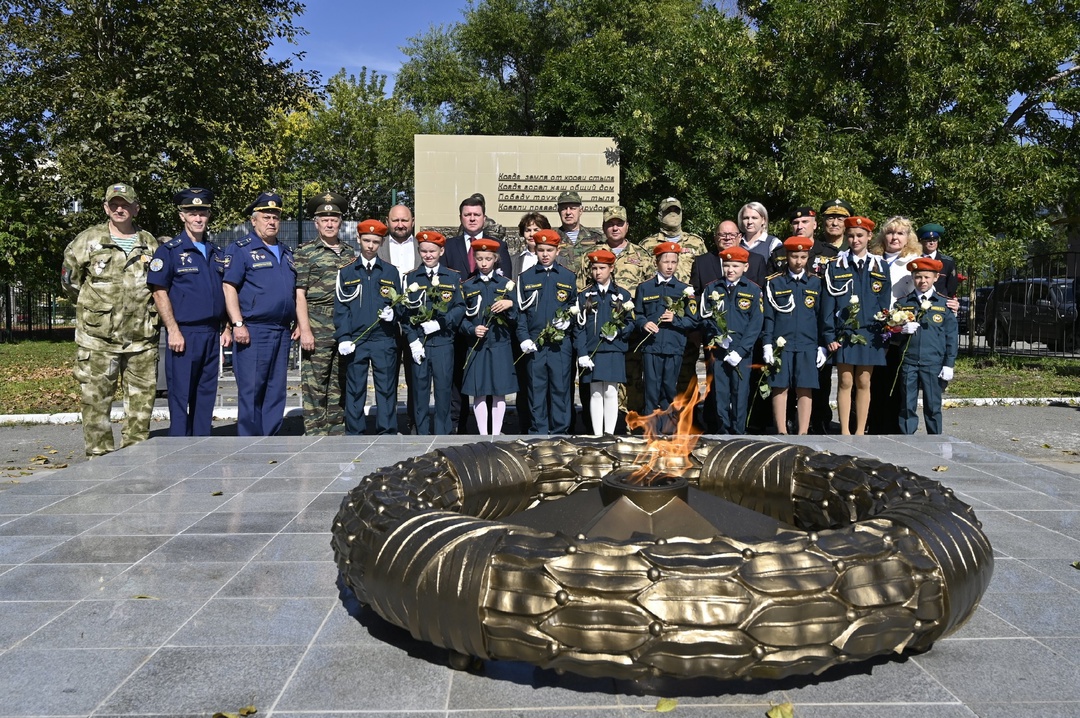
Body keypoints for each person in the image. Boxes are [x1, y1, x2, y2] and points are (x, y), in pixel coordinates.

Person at [61, 182, 161, 456]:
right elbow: (70, 281)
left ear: (136, 209)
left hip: (142, 338)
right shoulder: (88, 241)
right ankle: (98, 459)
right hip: (98, 339)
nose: (120, 209)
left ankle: (135, 460)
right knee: (96, 403)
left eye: (126, 204)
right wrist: (97, 308)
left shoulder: (149, 242)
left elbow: (158, 285)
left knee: (141, 406)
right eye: (114, 204)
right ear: (106, 207)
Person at [147, 187, 229, 437]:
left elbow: (224, 292)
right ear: (182, 216)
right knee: (181, 393)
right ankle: (178, 445)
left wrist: (225, 327)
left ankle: (201, 444)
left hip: (210, 333)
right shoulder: (169, 251)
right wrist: (172, 329)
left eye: (202, 213)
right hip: (183, 333)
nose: (198, 218)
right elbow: (159, 291)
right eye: (192, 213)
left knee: (206, 393)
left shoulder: (216, 253)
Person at [223, 192, 299, 437]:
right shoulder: (241, 249)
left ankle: (270, 439)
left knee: (277, 389)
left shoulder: (287, 252)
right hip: (254, 330)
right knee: (252, 388)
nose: (271, 221)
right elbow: (229, 287)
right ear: (253, 221)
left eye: (276, 217)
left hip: (281, 330)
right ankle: (249, 441)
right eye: (266, 216)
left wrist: (297, 321)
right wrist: (237, 323)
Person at [446, 194, 513, 433]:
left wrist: (509, 304)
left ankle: (495, 432)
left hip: (497, 338)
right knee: (470, 384)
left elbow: (509, 287)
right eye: (467, 215)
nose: (472, 218)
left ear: (484, 217)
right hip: (468, 332)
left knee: (496, 387)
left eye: (476, 214)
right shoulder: (450, 246)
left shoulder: (499, 246)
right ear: (461, 217)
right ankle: (461, 426)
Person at [821, 216, 891, 435]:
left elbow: (884, 302)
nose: (855, 240)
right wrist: (829, 335)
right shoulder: (836, 265)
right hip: (844, 333)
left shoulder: (880, 265)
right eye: (850, 235)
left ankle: (860, 431)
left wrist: (884, 331)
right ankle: (844, 431)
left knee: (864, 381)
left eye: (860, 235)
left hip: (870, 333)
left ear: (869, 236)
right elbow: (827, 303)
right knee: (844, 381)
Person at [293, 192, 355, 435]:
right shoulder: (305, 252)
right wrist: (305, 329)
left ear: (340, 222)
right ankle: (315, 433)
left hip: (343, 323)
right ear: (316, 223)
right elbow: (299, 294)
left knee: (339, 381)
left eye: (334, 219)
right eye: (324, 219)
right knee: (315, 382)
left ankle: (336, 431)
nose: (329, 224)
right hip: (316, 320)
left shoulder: (350, 253)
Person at [333, 219, 402, 435]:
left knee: (387, 388)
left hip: (384, 338)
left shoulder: (391, 272)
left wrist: (394, 314)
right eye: (366, 240)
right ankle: (355, 433)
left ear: (381, 242)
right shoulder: (346, 272)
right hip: (357, 340)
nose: (370, 245)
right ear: (358, 239)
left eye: (375, 241)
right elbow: (341, 307)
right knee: (354, 388)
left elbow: (399, 303)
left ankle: (387, 431)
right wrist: (344, 337)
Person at [402, 230, 465, 435]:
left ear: (441, 251)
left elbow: (460, 308)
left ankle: (442, 434)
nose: (428, 255)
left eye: (432, 251)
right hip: (419, 344)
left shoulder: (452, 277)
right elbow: (405, 313)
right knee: (419, 392)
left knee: (443, 391)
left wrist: (441, 323)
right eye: (424, 251)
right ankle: (421, 433)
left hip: (443, 343)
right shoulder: (411, 277)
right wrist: (412, 341)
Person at [516, 229, 578, 434]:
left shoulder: (568, 277)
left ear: (557, 250)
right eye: (540, 250)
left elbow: (573, 306)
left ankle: (561, 431)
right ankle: (538, 431)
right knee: (536, 390)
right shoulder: (525, 277)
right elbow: (520, 312)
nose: (544, 254)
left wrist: (568, 321)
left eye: (549, 250)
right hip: (535, 344)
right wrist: (523, 338)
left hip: (560, 345)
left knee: (561, 389)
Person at [761, 237, 825, 435]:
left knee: (805, 386)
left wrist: (822, 345)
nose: (798, 261)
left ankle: (803, 432)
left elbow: (822, 316)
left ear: (808, 258)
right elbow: (769, 316)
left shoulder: (816, 283)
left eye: (803, 257)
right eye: (794, 256)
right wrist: (767, 344)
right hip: (782, 342)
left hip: (808, 342)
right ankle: (781, 430)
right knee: (780, 386)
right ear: (787, 257)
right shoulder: (775, 282)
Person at [865, 216, 922, 434]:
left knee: (896, 378)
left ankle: (894, 426)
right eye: (890, 232)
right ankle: (875, 424)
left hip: (901, 329)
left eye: (900, 233)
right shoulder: (873, 259)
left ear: (908, 237)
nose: (894, 237)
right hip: (874, 326)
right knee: (874, 379)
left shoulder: (913, 261)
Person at [699, 246, 763, 434]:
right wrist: (716, 337)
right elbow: (705, 317)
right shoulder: (712, 288)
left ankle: (738, 430)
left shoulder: (753, 290)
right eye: (726, 265)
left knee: (740, 393)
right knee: (720, 392)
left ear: (746, 267)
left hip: (742, 353)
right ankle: (723, 431)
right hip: (719, 351)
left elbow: (756, 324)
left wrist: (741, 350)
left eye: (735, 265)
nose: (730, 270)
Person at [634, 241, 698, 424]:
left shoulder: (685, 290)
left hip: (674, 346)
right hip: (651, 347)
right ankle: (651, 431)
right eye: (666, 262)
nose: (670, 266)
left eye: (674, 262)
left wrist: (676, 320)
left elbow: (693, 320)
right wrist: (644, 323)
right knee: (651, 390)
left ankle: (669, 430)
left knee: (669, 389)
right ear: (657, 263)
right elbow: (637, 314)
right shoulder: (645, 288)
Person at [460, 238, 518, 436]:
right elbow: (461, 318)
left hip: (500, 344)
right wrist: (471, 329)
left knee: (499, 390)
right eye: (480, 259)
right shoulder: (467, 286)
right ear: (474, 260)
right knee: (479, 391)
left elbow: (519, 316)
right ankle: (483, 434)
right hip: (477, 346)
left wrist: (510, 306)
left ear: (495, 259)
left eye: (488, 259)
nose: (484, 263)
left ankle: (496, 432)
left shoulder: (507, 285)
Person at [574, 249, 635, 436]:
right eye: (594, 268)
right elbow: (579, 327)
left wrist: (618, 331)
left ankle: (609, 433)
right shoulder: (584, 296)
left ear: (611, 268)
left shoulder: (622, 295)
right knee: (595, 392)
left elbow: (631, 323)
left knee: (610, 391)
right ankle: (597, 434)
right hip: (592, 352)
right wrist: (582, 353)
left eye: (602, 268)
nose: (597, 272)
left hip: (613, 350)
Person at [895, 257, 958, 435]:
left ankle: (935, 441)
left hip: (933, 362)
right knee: (907, 405)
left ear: (936, 278)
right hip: (909, 361)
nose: (922, 281)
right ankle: (907, 439)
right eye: (918, 277)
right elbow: (890, 333)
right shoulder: (903, 304)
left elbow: (951, 337)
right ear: (912, 277)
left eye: (927, 277)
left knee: (933, 406)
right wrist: (900, 329)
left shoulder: (945, 305)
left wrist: (949, 364)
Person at [809, 198, 852, 433]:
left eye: (840, 218)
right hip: (821, 321)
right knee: (821, 376)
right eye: (830, 218)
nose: (834, 222)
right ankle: (820, 421)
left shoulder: (854, 247)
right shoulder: (814, 249)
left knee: (852, 376)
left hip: (847, 321)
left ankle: (853, 422)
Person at [376, 204, 420, 432]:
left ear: (412, 221)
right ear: (388, 221)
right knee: (386, 378)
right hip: (387, 325)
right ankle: (387, 426)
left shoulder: (424, 248)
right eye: (395, 220)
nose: (400, 225)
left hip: (416, 324)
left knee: (417, 378)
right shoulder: (377, 247)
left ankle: (415, 423)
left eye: (404, 220)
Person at [691, 220, 768, 294]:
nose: (727, 238)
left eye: (732, 235)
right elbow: (695, 295)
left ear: (740, 237)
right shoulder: (701, 262)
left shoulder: (756, 261)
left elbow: (763, 293)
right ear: (715, 238)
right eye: (722, 235)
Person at [555, 190, 604, 266]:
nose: (568, 212)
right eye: (564, 208)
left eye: (572, 208)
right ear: (559, 211)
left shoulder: (597, 237)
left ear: (580, 211)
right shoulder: (552, 237)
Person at [917, 223, 960, 298]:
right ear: (921, 241)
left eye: (935, 240)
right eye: (928, 240)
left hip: (940, 303)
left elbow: (952, 287)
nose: (932, 243)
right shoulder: (916, 260)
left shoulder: (947, 262)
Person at [739, 201, 782, 265]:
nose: (749, 222)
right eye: (746, 218)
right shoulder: (737, 243)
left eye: (754, 218)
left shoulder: (773, 244)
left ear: (763, 220)